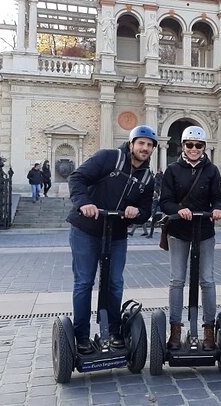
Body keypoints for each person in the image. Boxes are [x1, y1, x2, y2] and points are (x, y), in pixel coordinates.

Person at [66, 125, 157, 354]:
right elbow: (77, 178)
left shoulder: (147, 177)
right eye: (141, 143)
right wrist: (84, 203)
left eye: (149, 145)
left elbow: (146, 210)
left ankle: (114, 332)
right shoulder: (108, 157)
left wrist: (137, 212)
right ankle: (82, 336)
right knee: (84, 282)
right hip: (86, 230)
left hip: (116, 234)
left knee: (114, 283)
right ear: (131, 144)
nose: (144, 148)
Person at [160, 126, 221, 351]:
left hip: (204, 230)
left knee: (207, 280)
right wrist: (179, 210)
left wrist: (218, 209)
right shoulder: (172, 170)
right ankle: (176, 329)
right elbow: (164, 201)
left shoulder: (212, 170)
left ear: (204, 147)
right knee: (177, 280)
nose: (194, 149)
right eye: (190, 145)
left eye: (198, 145)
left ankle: (208, 329)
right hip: (179, 231)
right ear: (182, 147)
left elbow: (219, 198)